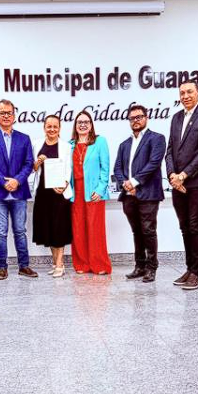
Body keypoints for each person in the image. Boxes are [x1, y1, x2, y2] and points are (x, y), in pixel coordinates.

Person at [165, 80, 198, 290]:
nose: (185, 96)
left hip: (196, 182)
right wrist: (172, 175)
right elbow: (170, 150)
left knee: (196, 226)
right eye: (182, 93)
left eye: (189, 92)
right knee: (184, 226)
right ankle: (189, 268)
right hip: (177, 183)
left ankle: (196, 272)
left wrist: (184, 175)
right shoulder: (176, 117)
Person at [0, 99, 38, 280]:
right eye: (2, 113)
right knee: (1, 232)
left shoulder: (24, 138)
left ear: (14, 116)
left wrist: (17, 181)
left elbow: (29, 163)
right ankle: (2, 267)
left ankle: (24, 266)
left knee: (20, 231)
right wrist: (3, 182)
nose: (6, 116)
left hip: (19, 193)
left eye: (9, 113)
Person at [114, 104, 165, 283]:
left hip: (148, 194)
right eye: (132, 118)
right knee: (137, 231)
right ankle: (140, 266)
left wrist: (134, 182)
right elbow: (117, 168)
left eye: (139, 117)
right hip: (129, 196)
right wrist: (125, 184)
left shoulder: (157, 139)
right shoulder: (124, 144)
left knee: (148, 231)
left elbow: (153, 163)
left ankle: (151, 268)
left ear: (146, 118)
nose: (135, 121)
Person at [70, 110, 112, 275]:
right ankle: (82, 263)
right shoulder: (70, 145)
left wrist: (101, 189)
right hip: (75, 193)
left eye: (86, 122)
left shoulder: (100, 141)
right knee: (78, 229)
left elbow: (105, 168)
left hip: (94, 193)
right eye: (79, 122)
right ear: (75, 125)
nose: (83, 125)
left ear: (91, 124)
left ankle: (99, 264)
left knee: (95, 229)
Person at [32, 115, 73, 277]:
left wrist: (64, 184)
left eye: (55, 126)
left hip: (59, 193)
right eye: (49, 126)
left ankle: (60, 264)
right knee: (48, 228)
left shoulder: (66, 146)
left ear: (59, 128)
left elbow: (68, 168)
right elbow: (33, 168)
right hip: (43, 193)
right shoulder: (36, 144)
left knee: (59, 228)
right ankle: (56, 262)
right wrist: (38, 162)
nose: (52, 129)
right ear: (44, 128)